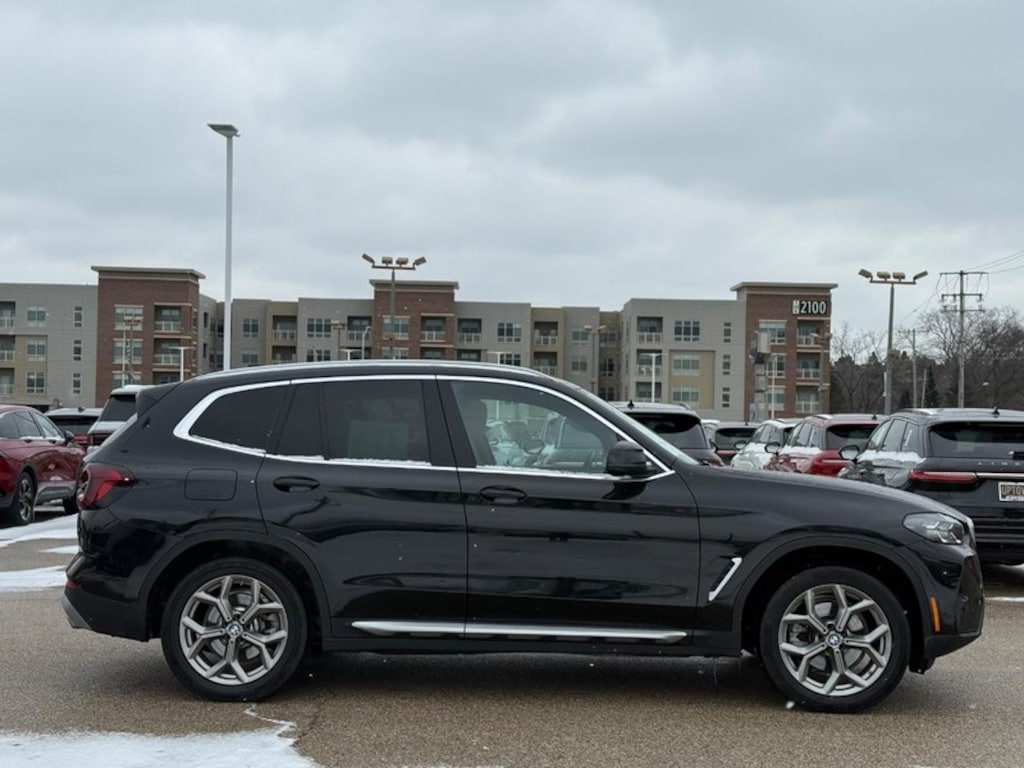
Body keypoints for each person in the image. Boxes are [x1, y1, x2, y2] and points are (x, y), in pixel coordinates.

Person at [461, 398, 495, 466]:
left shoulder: (480, 441)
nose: (482, 421)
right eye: (476, 415)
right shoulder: (462, 445)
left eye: (483, 416)